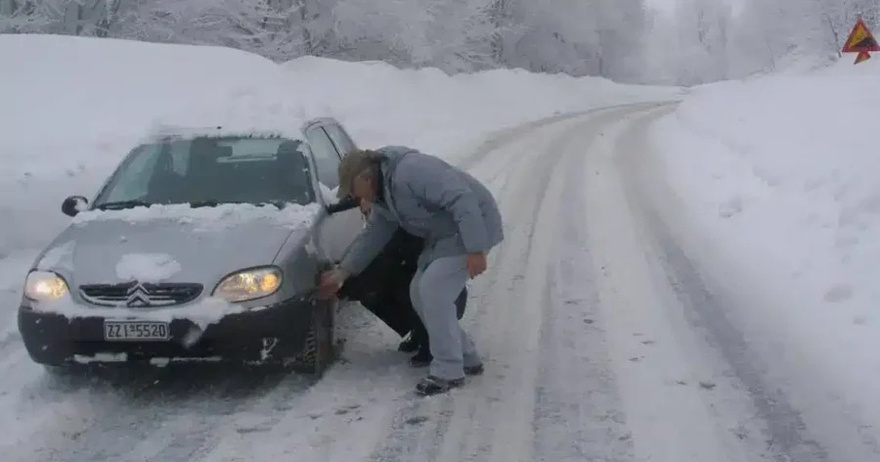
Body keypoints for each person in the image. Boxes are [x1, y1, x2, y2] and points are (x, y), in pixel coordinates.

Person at [318, 146, 504, 396]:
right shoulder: (383, 195)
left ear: (364, 178)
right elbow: (374, 234)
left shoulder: (411, 171)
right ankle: (465, 355)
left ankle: (448, 370)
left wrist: (476, 249)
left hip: (473, 225)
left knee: (434, 289)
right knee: (419, 292)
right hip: (444, 236)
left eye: (352, 189)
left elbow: (461, 198)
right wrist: (344, 272)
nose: (352, 196)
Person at [328, 196, 468, 367]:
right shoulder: (385, 206)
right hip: (413, 269)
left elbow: (376, 255)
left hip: (437, 285)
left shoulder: (397, 218)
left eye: (362, 199)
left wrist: (341, 285)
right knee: (377, 284)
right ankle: (418, 331)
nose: (361, 208)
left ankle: (431, 341)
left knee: (398, 286)